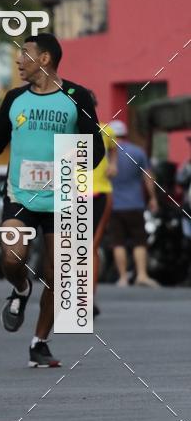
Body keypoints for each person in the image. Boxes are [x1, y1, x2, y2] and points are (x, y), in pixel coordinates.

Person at [0, 33, 104, 368]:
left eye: (24, 55)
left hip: (63, 197)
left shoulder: (76, 96)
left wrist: (70, 163)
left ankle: (39, 342)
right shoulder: (15, 98)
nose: (18, 61)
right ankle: (21, 288)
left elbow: (95, 148)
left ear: (45, 59)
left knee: (58, 274)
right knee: (12, 257)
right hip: (20, 195)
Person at [108, 119, 159, 287]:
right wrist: (153, 198)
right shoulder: (137, 152)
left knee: (118, 242)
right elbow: (148, 177)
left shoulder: (106, 154)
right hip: (135, 204)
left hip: (113, 204)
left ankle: (123, 277)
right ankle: (142, 275)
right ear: (126, 134)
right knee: (139, 241)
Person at [90, 94, 118, 316]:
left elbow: (115, 151)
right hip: (71, 195)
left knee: (91, 248)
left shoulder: (106, 130)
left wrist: (113, 165)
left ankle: (88, 299)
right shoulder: (66, 132)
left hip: (100, 193)